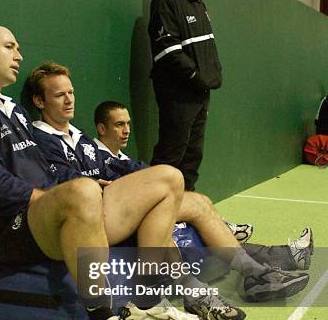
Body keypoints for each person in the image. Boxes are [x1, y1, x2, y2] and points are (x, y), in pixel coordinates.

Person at [0, 25, 196, 320]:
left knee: (168, 178)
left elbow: (43, 170)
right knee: (82, 191)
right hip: (8, 227)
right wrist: (63, 196)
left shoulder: (13, 110)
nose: (19, 56)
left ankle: (145, 303)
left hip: (52, 212)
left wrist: (86, 191)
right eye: (10, 47)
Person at [24, 62, 310, 320]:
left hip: (115, 203)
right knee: (168, 181)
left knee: (198, 203)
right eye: (59, 95)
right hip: (90, 216)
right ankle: (179, 290)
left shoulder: (81, 138)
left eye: (71, 92)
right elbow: (59, 185)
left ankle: (253, 274)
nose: (69, 99)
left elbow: (123, 167)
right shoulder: (39, 140)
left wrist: (143, 182)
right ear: (40, 102)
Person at [94, 100, 314, 273]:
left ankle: (285, 255)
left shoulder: (123, 157)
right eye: (119, 124)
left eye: (128, 124)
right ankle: (280, 256)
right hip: (129, 223)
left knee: (203, 210)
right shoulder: (95, 156)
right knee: (202, 221)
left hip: (149, 214)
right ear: (102, 129)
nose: (126, 130)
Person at [148, 0, 221, 191]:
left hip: (199, 94)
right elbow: (168, 50)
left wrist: (208, 80)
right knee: (171, 156)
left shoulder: (199, 3)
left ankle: (184, 217)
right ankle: (152, 215)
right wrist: (195, 77)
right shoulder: (166, 0)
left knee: (192, 158)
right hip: (179, 93)